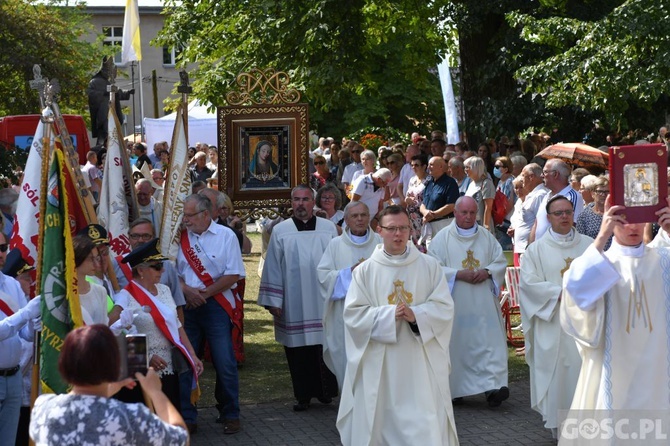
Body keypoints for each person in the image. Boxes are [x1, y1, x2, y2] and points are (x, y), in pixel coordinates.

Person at [336, 206, 458, 445]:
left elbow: (444, 308)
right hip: (380, 363)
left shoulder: (429, 266)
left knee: (425, 421)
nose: (398, 234)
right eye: (391, 229)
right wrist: (387, 315)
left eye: (403, 228)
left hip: (420, 360)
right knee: (381, 419)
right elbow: (352, 315)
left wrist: (418, 316)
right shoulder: (365, 271)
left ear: (410, 230)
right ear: (379, 231)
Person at [560, 198, 670, 426]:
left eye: (639, 221)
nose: (632, 227)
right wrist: (601, 237)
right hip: (612, 371)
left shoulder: (663, 261)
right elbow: (575, 291)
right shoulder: (602, 264)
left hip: (659, 371)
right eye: (624, 221)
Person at [29, 324, 188, 445]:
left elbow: (87, 403)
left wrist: (112, 386)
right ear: (114, 364)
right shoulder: (130, 416)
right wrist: (156, 392)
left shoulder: (43, 408)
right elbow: (180, 439)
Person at [258, 185, 339, 411]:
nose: (301, 204)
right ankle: (302, 395)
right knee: (297, 349)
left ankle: (326, 393)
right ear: (291, 202)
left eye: (305, 199)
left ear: (313, 202)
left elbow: (337, 260)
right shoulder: (281, 231)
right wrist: (274, 301)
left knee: (324, 345)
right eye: (296, 199)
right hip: (293, 299)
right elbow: (272, 266)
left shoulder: (328, 228)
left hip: (323, 298)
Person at [519, 196, 592, 437]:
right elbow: (528, 284)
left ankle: (588, 427)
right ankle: (561, 430)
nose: (564, 217)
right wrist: (558, 294)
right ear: (548, 218)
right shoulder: (536, 250)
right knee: (558, 375)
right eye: (558, 213)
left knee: (586, 373)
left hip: (587, 325)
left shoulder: (590, 245)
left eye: (568, 212)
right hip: (553, 326)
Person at [428, 196, 509, 407]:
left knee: (489, 343)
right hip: (456, 303)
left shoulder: (487, 237)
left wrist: (487, 271)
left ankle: (493, 387)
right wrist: (456, 274)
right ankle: (457, 390)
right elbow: (432, 268)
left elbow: (499, 261)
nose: (468, 217)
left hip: (483, 304)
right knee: (457, 345)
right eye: (464, 212)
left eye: (472, 212)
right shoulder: (441, 239)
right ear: (455, 213)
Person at [177, 194, 244, 434]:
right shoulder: (179, 238)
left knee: (224, 360)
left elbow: (234, 274)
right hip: (187, 306)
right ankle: (187, 416)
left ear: (205, 214)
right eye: (184, 215)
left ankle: (230, 413)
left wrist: (203, 295)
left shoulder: (226, 236)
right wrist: (186, 290)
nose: (185, 220)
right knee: (186, 361)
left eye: (190, 215)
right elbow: (172, 273)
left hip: (216, 305)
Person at [114, 239, 203, 411]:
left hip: (168, 363)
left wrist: (192, 353)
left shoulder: (164, 290)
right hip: (141, 367)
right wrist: (146, 357)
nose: (162, 270)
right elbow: (116, 332)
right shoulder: (125, 296)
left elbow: (176, 325)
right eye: (156, 266)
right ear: (140, 270)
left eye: (161, 265)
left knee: (169, 413)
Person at [317, 201, 381, 390]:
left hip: (375, 313)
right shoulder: (335, 245)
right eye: (355, 216)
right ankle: (350, 407)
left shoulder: (380, 242)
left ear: (369, 217)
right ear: (346, 220)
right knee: (348, 362)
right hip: (345, 315)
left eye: (363, 215)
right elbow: (323, 277)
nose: (360, 219)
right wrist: (349, 273)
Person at [0, 233, 40, 446]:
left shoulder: (12, 285)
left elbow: (22, 332)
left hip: (14, 377)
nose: (1, 253)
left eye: (3, 247)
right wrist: (26, 314)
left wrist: (35, 321)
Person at [531, 158, 584, 243]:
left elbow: (571, 227)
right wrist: (530, 248)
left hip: (557, 250)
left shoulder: (573, 196)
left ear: (555, 174)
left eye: (545, 172)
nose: (541, 175)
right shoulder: (547, 195)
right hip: (539, 250)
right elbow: (536, 224)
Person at [511, 163, 549, 266]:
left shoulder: (540, 195)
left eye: (523, 175)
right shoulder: (533, 195)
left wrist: (531, 246)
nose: (521, 178)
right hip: (524, 248)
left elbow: (541, 223)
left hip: (530, 249)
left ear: (531, 177)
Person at [420, 156, 460, 244]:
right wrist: (425, 213)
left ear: (441, 166)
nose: (428, 167)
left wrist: (434, 215)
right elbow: (423, 203)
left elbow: (451, 205)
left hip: (444, 224)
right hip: (429, 225)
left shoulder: (450, 183)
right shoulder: (429, 182)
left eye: (431, 165)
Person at [73, 235, 108, 325]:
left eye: (97, 258)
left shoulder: (100, 291)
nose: (96, 264)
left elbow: (104, 325)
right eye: (91, 259)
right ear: (78, 258)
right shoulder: (61, 293)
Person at [575, 176, 611, 249]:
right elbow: (580, 242)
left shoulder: (618, 213)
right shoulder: (584, 216)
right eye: (599, 192)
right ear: (593, 193)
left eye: (607, 192)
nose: (603, 195)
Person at [464, 156, 496, 233]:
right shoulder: (471, 183)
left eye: (468, 167)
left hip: (481, 223)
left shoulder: (486, 183)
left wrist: (486, 226)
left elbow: (488, 207)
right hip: (471, 222)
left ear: (475, 167)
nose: (465, 170)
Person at [404, 153, 429, 251]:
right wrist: (407, 200)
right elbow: (408, 194)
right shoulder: (412, 180)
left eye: (417, 165)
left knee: (424, 242)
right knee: (414, 242)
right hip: (411, 217)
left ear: (424, 166)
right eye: (412, 165)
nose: (414, 167)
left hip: (422, 216)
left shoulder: (429, 180)